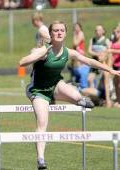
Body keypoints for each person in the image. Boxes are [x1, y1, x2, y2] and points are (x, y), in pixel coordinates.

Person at [19, 20, 120, 170]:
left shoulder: (68, 52)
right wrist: (38, 56)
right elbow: (22, 62)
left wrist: (109, 70)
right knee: (42, 123)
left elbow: (89, 61)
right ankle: (41, 159)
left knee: (79, 98)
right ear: (51, 34)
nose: (59, 33)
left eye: (62, 30)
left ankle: (72, 94)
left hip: (56, 86)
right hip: (38, 90)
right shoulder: (44, 50)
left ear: (65, 34)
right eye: (56, 30)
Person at [70, 22, 90, 90]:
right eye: (75, 27)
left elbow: (75, 43)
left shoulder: (81, 33)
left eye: (77, 27)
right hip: (76, 52)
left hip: (80, 52)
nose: (76, 28)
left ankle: (83, 86)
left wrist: (74, 37)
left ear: (80, 27)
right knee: (75, 68)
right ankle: (77, 84)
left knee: (80, 68)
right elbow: (73, 45)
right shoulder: (75, 34)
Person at [108, 25, 120, 107]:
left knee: (119, 84)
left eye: (118, 32)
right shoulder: (112, 42)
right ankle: (118, 101)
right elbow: (111, 55)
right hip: (114, 65)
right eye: (114, 32)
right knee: (115, 83)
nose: (116, 34)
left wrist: (111, 50)